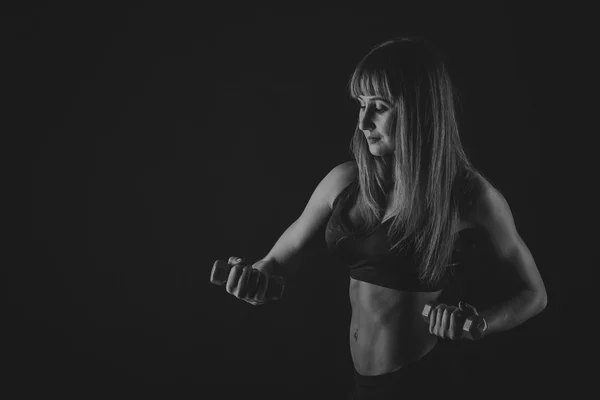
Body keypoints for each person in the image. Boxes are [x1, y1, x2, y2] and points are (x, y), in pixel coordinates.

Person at [212, 37, 547, 398]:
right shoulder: (344, 181)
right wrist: (255, 277)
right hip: (361, 383)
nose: (364, 122)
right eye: (361, 105)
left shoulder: (470, 196)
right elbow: (279, 258)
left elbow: (534, 294)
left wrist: (478, 323)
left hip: (423, 381)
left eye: (380, 107)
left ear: (419, 112)